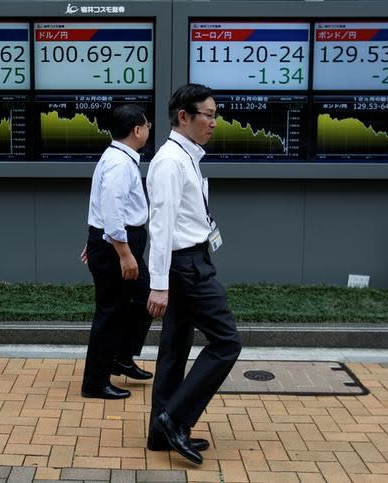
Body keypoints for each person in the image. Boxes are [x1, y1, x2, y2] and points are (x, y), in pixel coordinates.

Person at [145, 84, 242, 465]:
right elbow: (161, 226)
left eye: (215, 115)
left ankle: (160, 433)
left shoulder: (187, 157)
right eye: (208, 115)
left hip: (190, 261)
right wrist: (158, 285)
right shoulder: (170, 161)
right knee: (227, 342)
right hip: (186, 266)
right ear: (183, 117)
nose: (214, 123)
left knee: (174, 350)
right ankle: (175, 419)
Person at [80, 104, 154, 399]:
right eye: (147, 125)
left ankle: (120, 356)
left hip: (113, 241)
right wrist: (122, 253)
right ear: (137, 130)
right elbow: (111, 210)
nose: (149, 130)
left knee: (145, 295)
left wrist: (97, 237)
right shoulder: (120, 163)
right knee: (110, 312)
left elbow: (102, 205)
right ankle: (95, 383)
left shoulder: (117, 157)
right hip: (118, 245)